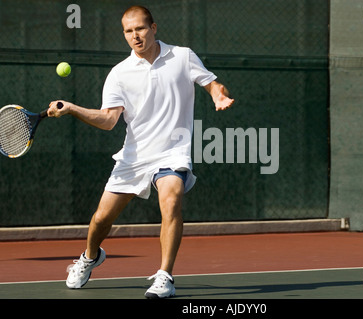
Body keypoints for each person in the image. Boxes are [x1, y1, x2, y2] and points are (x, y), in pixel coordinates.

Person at [48, 5, 234, 299]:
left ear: (154, 28)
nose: (135, 36)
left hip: (173, 152)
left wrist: (217, 94)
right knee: (100, 220)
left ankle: (165, 276)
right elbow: (109, 120)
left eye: (140, 29)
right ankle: (90, 256)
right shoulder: (119, 73)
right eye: (128, 31)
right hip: (134, 157)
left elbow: (211, 83)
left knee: (171, 200)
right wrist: (72, 109)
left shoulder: (182, 56)